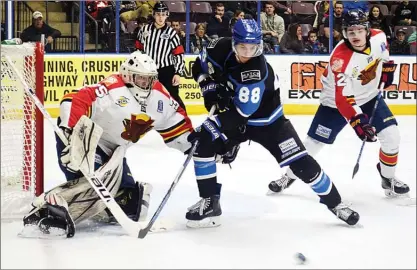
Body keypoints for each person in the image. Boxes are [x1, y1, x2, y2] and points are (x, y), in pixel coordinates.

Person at [184, 19, 360, 229]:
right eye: (242, 47)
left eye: (253, 48)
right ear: (233, 43)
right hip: (237, 116)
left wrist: (211, 126)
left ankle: (336, 203)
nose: (248, 53)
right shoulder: (219, 46)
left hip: (268, 123)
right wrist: (207, 84)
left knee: (300, 163)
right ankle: (210, 203)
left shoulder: (256, 71)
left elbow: (241, 114)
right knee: (202, 147)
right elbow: (198, 65)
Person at [21, 52, 194, 238]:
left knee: (132, 202)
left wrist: (196, 143)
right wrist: (70, 132)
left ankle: (102, 207)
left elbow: (176, 122)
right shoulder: (112, 88)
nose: (147, 84)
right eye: (141, 79)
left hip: (115, 152)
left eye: (150, 79)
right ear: (128, 75)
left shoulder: (159, 96)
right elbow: (72, 100)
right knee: (95, 185)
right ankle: (47, 210)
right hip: (87, 143)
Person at [268, 10, 410, 199]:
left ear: (367, 30)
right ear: (344, 33)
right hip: (334, 104)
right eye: (350, 31)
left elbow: (384, 54)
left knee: (392, 136)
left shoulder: (379, 36)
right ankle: (288, 176)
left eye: (359, 30)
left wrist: (388, 67)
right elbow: (343, 98)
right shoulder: (340, 59)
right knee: (313, 144)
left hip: (369, 97)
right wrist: (358, 122)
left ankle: (388, 178)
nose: (355, 36)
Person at [136, 2, 186, 110]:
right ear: (153, 14)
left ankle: (184, 122)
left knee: (173, 99)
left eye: (163, 14)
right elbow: (138, 51)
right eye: (158, 14)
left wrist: (178, 73)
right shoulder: (144, 31)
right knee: (146, 99)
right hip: (148, 71)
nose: (160, 17)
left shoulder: (172, 33)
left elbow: (179, 54)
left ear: (167, 15)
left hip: (167, 71)